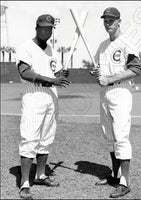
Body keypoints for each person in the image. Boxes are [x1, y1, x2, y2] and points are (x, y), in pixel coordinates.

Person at [16, 14, 71, 199]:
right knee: (29, 138)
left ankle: (40, 175)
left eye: (49, 28)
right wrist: (51, 79)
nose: (46, 30)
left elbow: (57, 72)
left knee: (46, 138)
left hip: (51, 96)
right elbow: (25, 72)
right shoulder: (26, 47)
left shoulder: (52, 51)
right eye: (43, 27)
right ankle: (24, 183)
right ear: (36, 27)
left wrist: (62, 75)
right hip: (34, 93)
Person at [91, 7, 141, 198]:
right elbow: (98, 73)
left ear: (119, 21)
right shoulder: (102, 45)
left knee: (121, 135)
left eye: (111, 20)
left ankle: (125, 182)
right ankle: (115, 174)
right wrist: (97, 75)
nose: (108, 23)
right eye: (105, 20)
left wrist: (109, 78)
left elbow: (135, 69)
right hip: (104, 93)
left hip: (121, 91)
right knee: (109, 136)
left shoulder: (128, 42)